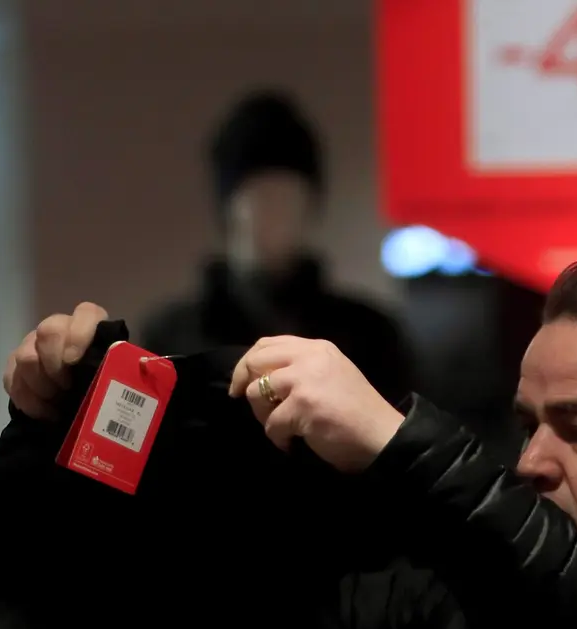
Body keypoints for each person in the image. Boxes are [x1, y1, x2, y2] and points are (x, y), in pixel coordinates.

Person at [0, 261, 577, 629]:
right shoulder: (448, 597)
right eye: (527, 425)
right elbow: (218, 628)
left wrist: (395, 442)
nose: (533, 461)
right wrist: (67, 431)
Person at [141, 88, 411, 402]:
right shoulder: (172, 338)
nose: (277, 213)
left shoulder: (371, 336)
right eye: (259, 195)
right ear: (229, 207)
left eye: (290, 196)